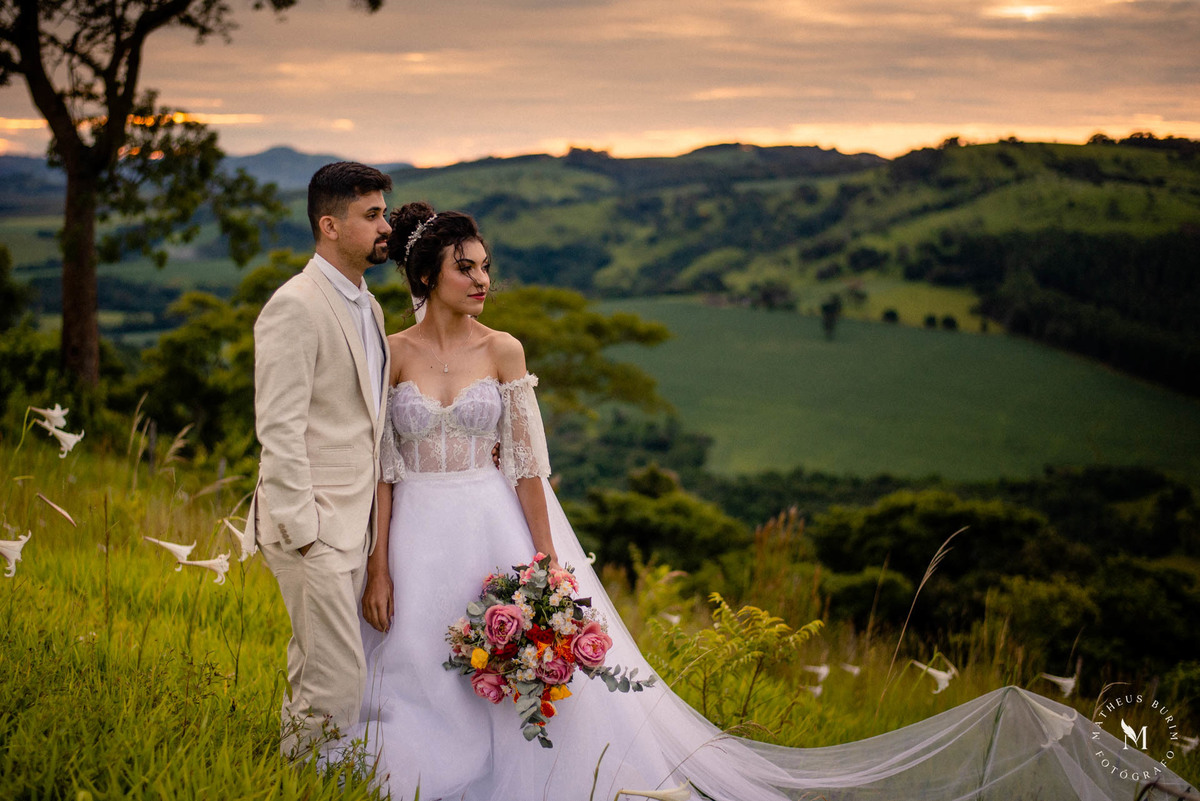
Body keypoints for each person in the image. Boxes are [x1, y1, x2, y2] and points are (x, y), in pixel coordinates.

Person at [352, 202, 1193, 801]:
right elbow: (384, 469)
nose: (485, 278)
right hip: (418, 531)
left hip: (498, 528)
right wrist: (380, 560)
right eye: (469, 266)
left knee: (521, 668)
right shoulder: (390, 353)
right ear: (430, 271)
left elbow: (530, 468)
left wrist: (545, 565)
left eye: (488, 265)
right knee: (417, 668)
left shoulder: (506, 351)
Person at [248, 161, 393, 759]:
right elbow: (278, 429)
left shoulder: (371, 307)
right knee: (337, 682)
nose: (386, 226)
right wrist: (305, 533)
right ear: (330, 225)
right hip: (313, 528)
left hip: (352, 523)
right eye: (372, 215)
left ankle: (287, 774)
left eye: (384, 211)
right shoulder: (295, 306)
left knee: (315, 670)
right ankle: (307, 781)